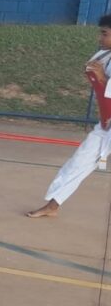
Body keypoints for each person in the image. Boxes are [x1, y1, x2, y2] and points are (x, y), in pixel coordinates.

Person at [26, 15, 111, 218]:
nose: (100, 37)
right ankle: (53, 205)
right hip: (106, 122)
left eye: (105, 33)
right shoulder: (104, 55)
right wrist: (95, 75)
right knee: (79, 161)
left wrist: (103, 78)